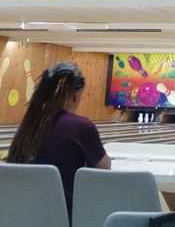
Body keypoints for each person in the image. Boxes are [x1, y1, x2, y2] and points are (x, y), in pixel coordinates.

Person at [7, 62, 110, 214]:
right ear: (76, 94)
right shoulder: (82, 126)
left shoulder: (29, 124)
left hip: (21, 212)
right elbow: (104, 167)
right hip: (64, 215)